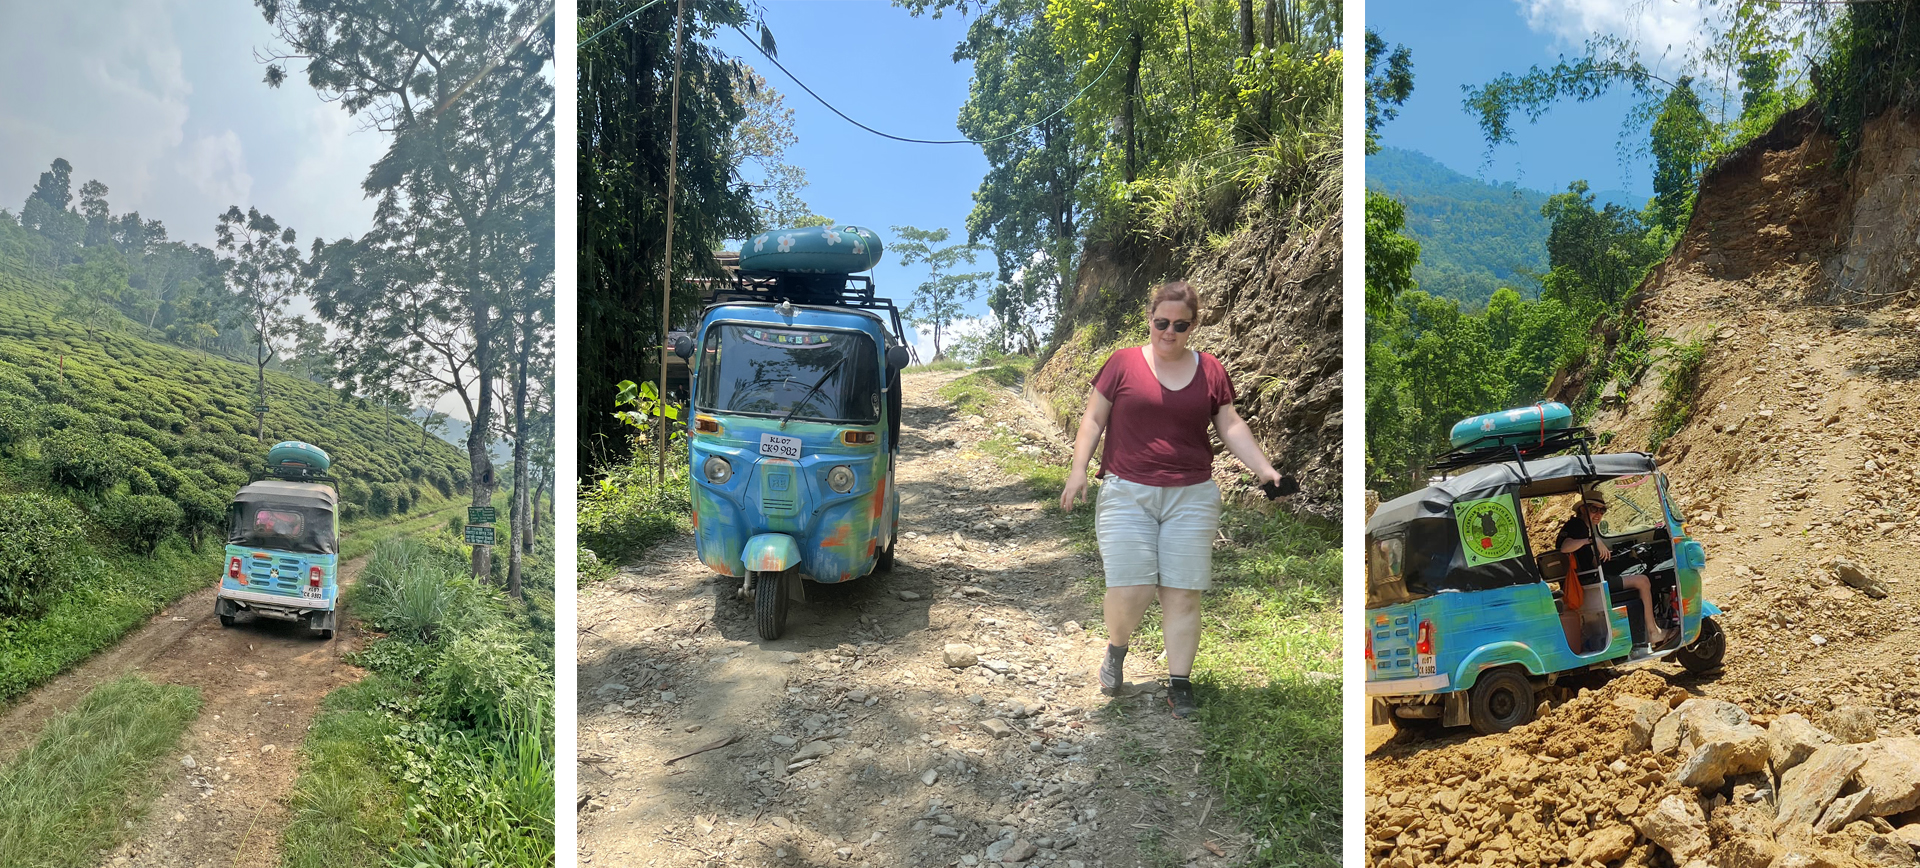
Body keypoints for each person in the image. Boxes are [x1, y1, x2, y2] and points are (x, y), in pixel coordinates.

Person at [1059, 281, 1284, 719]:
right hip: (1127, 491)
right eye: (1161, 323)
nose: (1169, 332)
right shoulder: (1122, 364)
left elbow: (1230, 424)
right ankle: (1117, 647)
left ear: (1193, 325)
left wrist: (1266, 470)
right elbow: (1093, 418)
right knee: (1132, 588)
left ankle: (1179, 684)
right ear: (1149, 320)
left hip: (1192, 497)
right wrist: (1078, 469)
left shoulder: (1211, 370)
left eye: (1180, 325)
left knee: (1183, 595)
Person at [1556, 499, 1673, 654]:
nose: (1598, 514)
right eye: (1594, 509)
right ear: (1583, 509)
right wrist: (1592, 540)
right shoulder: (1577, 526)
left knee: (1631, 571)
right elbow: (1565, 547)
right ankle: (1653, 632)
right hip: (1590, 581)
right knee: (1643, 581)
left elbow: (1585, 558)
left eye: (1602, 511)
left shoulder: (1581, 527)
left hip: (1588, 578)